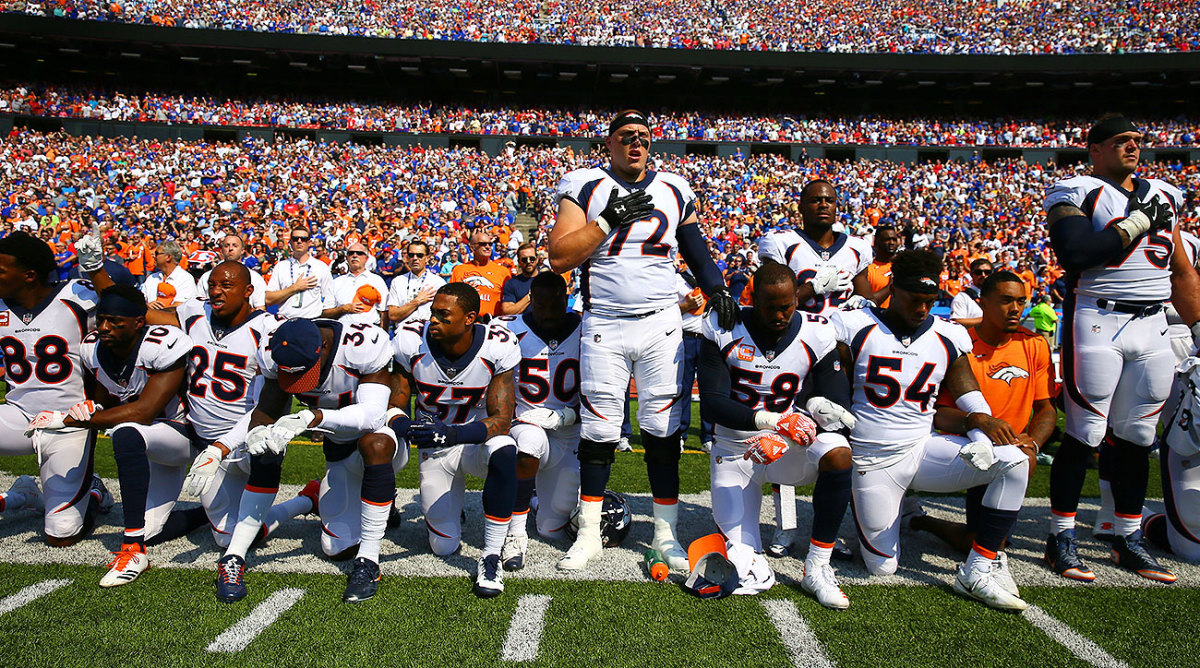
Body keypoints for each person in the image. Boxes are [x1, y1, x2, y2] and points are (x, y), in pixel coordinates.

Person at [548, 109, 736, 572]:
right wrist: (607, 220)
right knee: (599, 430)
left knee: (663, 431)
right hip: (604, 322)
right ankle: (589, 533)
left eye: (645, 137)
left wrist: (718, 287)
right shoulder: (584, 185)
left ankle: (666, 535)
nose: (637, 143)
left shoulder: (674, 188)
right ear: (608, 143)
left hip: (661, 323)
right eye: (627, 136)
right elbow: (558, 257)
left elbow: (697, 251)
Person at [832, 249, 1031, 611]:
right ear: (894, 289)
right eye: (913, 299)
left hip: (922, 448)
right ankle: (892, 507)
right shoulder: (854, 325)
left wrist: (980, 421)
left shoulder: (948, 334)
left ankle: (979, 568)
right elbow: (833, 390)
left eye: (929, 301)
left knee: (1015, 461)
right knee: (881, 568)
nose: (922, 309)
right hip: (871, 459)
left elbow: (966, 389)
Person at [1043, 115, 1182, 583]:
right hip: (1099, 319)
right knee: (1084, 431)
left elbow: (1180, 269)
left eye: (1138, 140)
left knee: (1138, 439)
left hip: (1155, 323)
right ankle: (1060, 535)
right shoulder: (1076, 188)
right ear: (1095, 149)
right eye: (1121, 141)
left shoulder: (1167, 194)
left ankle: (1127, 536)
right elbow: (1076, 254)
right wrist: (1140, 222)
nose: (1133, 147)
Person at [210, 315, 402, 604]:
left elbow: (373, 415)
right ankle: (233, 557)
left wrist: (316, 416)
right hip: (337, 455)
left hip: (381, 446)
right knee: (335, 547)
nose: (299, 383)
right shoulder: (275, 348)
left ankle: (369, 562)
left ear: (323, 347)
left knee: (374, 442)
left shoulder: (362, 345)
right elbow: (266, 409)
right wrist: (221, 447)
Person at [698, 262, 854, 608]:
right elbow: (712, 404)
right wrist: (771, 422)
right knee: (742, 558)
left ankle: (818, 566)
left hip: (788, 444)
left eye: (787, 306)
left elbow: (835, 400)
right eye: (771, 307)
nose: (780, 314)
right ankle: (747, 547)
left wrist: (808, 416)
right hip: (736, 447)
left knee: (839, 453)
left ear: (797, 300)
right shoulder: (725, 325)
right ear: (754, 298)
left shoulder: (817, 331)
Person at [144, 262, 319, 561]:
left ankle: (305, 500)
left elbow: (271, 404)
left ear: (248, 291)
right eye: (212, 284)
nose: (216, 291)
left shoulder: (267, 329)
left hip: (249, 441)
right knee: (227, 538)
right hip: (206, 441)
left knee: (266, 456)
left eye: (226, 285)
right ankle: (301, 501)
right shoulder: (192, 312)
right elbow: (147, 315)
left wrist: (224, 446)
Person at [37, 286, 192, 587]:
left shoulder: (162, 344)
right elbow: (106, 402)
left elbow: (144, 411)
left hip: (180, 438)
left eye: (115, 322)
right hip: (145, 441)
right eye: (102, 319)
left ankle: (133, 549)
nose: (104, 327)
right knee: (152, 529)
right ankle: (199, 516)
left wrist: (67, 420)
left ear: (138, 321)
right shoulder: (92, 348)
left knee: (125, 431)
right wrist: (89, 408)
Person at [907, 271, 1057, 568]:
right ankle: (920, 521)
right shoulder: (960, 346)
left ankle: (923, 520)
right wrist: (980, 423)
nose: (1015, 308)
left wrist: (1034, 443)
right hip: (963, 446)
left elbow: (1046, 408)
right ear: (982, 304)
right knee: (985, 543)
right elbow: (939, 414)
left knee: (987, 540)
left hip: (1009, 451)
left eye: (1021, 301)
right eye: (1005, 301)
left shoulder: (1034, 344)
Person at [757, 180, 873, 558]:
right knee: (786, 435)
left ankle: (831, 527)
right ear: (802, 205)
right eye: (815, 199)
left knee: (840, 439)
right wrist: (812, 288)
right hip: (796, 351)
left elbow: (864, 294)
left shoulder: (857, 247)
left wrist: (862, 304)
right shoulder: (781, 243)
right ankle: (786, 527)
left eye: (829, 200)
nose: (823, 205)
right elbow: (775, 295)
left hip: (840, 354)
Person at [388, 283, 519, 596]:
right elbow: (394, 404)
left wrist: (453, 433)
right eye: (433, 313)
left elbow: (501, 420)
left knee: (505, 449)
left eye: (444, 315)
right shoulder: (410, 340)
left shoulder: (496, 344)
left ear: (470, 318)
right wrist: (408, 427)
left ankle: (490, 556)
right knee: (443, 547)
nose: (433, 320)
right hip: (435, 450)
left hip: (474, 440)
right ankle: (451, 507)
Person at [0, 229, 116, 547]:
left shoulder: (77, 296)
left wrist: (97, 271)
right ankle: (19, 496)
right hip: (18, 414)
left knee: (62, 533)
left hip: (70, 421)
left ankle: (94, 491)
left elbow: (124, 309)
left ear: (29, 276)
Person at [494, 273, 581, 571]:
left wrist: (568, 415)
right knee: (530, 441)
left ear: (565, 300)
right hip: (526, 422)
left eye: (553, 307)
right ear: (530, 300)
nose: (545, 315)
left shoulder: (585, 329)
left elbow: (606, 396)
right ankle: (515, 533)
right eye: (539, 306)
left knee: (551, 529)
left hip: (570, 432)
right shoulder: (510, 330)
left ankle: (534, 503)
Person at [264, 226, 333, 319]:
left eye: (304, 239)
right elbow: (268, 299)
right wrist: (295, 288)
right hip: (285, 321)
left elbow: (329, 300)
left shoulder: (321, 267)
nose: (299, 241)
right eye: (295, 239)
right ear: (290, 242)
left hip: (311, 321)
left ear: (309, 243)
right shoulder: (281, 266)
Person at [451, 230, 510, 320]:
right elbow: (451, 298)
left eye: (490, 244)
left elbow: (507, 302)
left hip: (491, 324)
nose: (488, 247)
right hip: (463, 323)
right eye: (483, 244)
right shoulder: (459, 269)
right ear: (472, 248)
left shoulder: (503, 271)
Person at [326, 242, 388, 327]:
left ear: (366, 258)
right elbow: (325, 313)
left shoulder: (377, 280)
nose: (355, 255)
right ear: (347, 257)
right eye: (351, 253)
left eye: (359, 253)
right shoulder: (336, 282)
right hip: (343, 331)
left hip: (370, 332)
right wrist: (342, 309)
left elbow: (384, 312)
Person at [198, 233, 266, 308]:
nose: (230, 248)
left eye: (235, 245)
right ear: (221, 250)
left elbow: (260, 307)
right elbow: (199, 305)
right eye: (226, 246)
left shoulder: (254, 278)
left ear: (242, 250)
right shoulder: (207, 276)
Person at [387, 240, 446, 327]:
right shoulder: (398, 281)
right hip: (403, 333)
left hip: (428, 334)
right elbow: (392, 315)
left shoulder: (438, 282)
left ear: (427, 258)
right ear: (407, 258)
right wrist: (417, 301)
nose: (415, 258)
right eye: (411, 255)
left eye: (420, 255)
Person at [142, 240, 197, 310]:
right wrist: (147, 306)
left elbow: (180, 307)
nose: (153, 256)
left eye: (157, 253)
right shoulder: (151, 278)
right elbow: (140, 301)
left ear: (168, 257)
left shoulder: (185, 279)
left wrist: (152, 311)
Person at [949, 259, 993, 328]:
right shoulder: (962, 297)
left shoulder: (998, 296)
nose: (983, 275)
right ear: (971, 274)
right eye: (978, 272)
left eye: (987, 272)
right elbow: (956, 322)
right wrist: (987, 320)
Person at [499, 243, 540, 315]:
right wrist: (530, 296)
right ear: (519, 262)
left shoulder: (547, 280)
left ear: (537, 259)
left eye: (532, 259)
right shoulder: (511, 283)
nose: (528, 261)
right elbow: (507, 312)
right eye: (524, 259)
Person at [866, 224, 901, 307]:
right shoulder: (867, 270)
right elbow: (867, 303)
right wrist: (890, 286)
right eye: (887, 240)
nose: (892, 243)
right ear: (877, 242)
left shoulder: (903, 267)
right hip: (876, 318)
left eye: (894, 240)